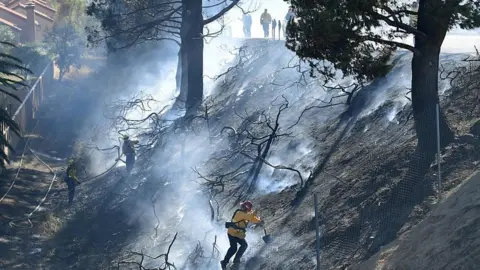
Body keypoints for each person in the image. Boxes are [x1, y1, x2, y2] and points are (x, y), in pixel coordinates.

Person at [220, 201, 263, 269]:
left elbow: (252, 218)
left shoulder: (246, 214)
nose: (244, 208)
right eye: (244, 207)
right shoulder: (240, 213)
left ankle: (236, 260)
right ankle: (224, 262)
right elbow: (250, 217)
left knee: (244, 245)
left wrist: (259, 221)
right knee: (234, 248)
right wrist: (256, 211)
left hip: (238, 234)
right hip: (232, 233)